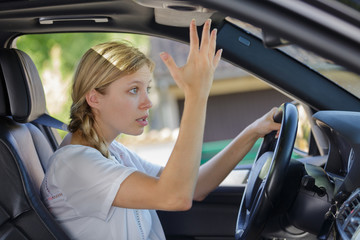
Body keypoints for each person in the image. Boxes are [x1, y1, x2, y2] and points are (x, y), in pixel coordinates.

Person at [40, 19, 280, 240]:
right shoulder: (75, 164)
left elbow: (193, 186)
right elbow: (175, 197)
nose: (148, 102)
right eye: (134, 90)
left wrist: (253, 132)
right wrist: (196, 95)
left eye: (147, 89)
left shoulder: (113, 152)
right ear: (94, 98)